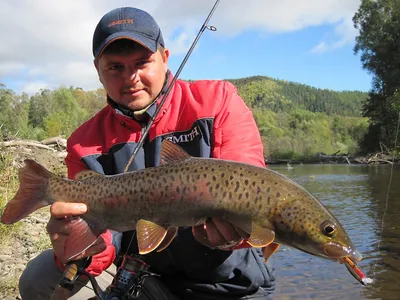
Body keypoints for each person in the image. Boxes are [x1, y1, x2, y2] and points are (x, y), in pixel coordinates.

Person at [18, 7, 276, 300]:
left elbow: (255, 192)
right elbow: (104, 230)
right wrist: (81, 248)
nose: (131, 78)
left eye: (142, 63)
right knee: (40, 278)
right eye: (115, 67)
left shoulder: (217, 102)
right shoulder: (84, 142)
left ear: (165, 58)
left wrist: (233, 238)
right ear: (97, 69)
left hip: (229, 286)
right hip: (143, 279)